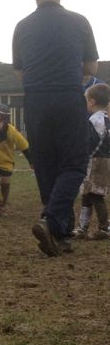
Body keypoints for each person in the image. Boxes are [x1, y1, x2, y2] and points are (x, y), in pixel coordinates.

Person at [12, 0, 99, 256]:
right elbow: (91, 68)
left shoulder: (22, 27)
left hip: (35, 100)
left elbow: (21, 73)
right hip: (67, 96)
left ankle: (60, 234)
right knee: (74, 164)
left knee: (46, 165)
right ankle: (51, 221)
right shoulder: (79, 22)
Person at [73, 83, 110, 240]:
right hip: (104, 160)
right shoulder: (106, 119)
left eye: (86, 100)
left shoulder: (93, 121)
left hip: (95, 162)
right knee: (88, 194)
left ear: (92, 101)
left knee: (94, 194)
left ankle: (104, 227)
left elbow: (88, 142)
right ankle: (82, 227)